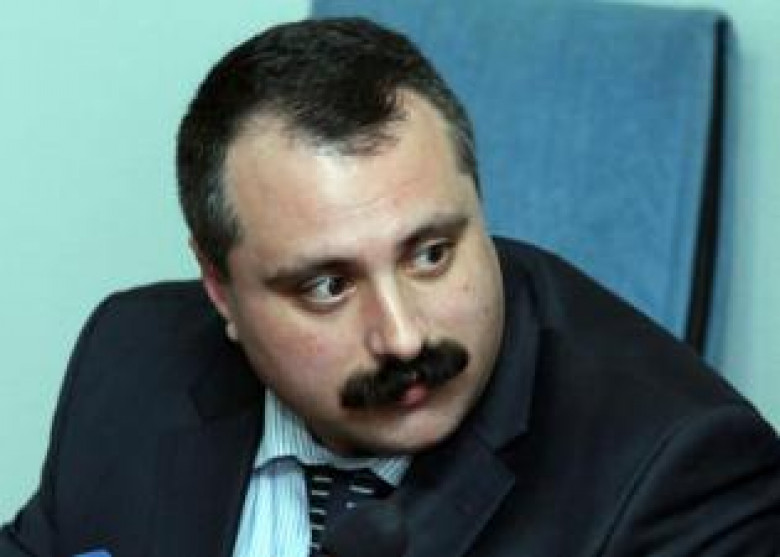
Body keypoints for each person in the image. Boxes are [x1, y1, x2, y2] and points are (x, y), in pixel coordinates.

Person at [2, 16, 779, 557]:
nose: (404, 336)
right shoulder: (130, 357)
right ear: (221, 291)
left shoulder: (684, 470)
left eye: (431, 253)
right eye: (328, 286)